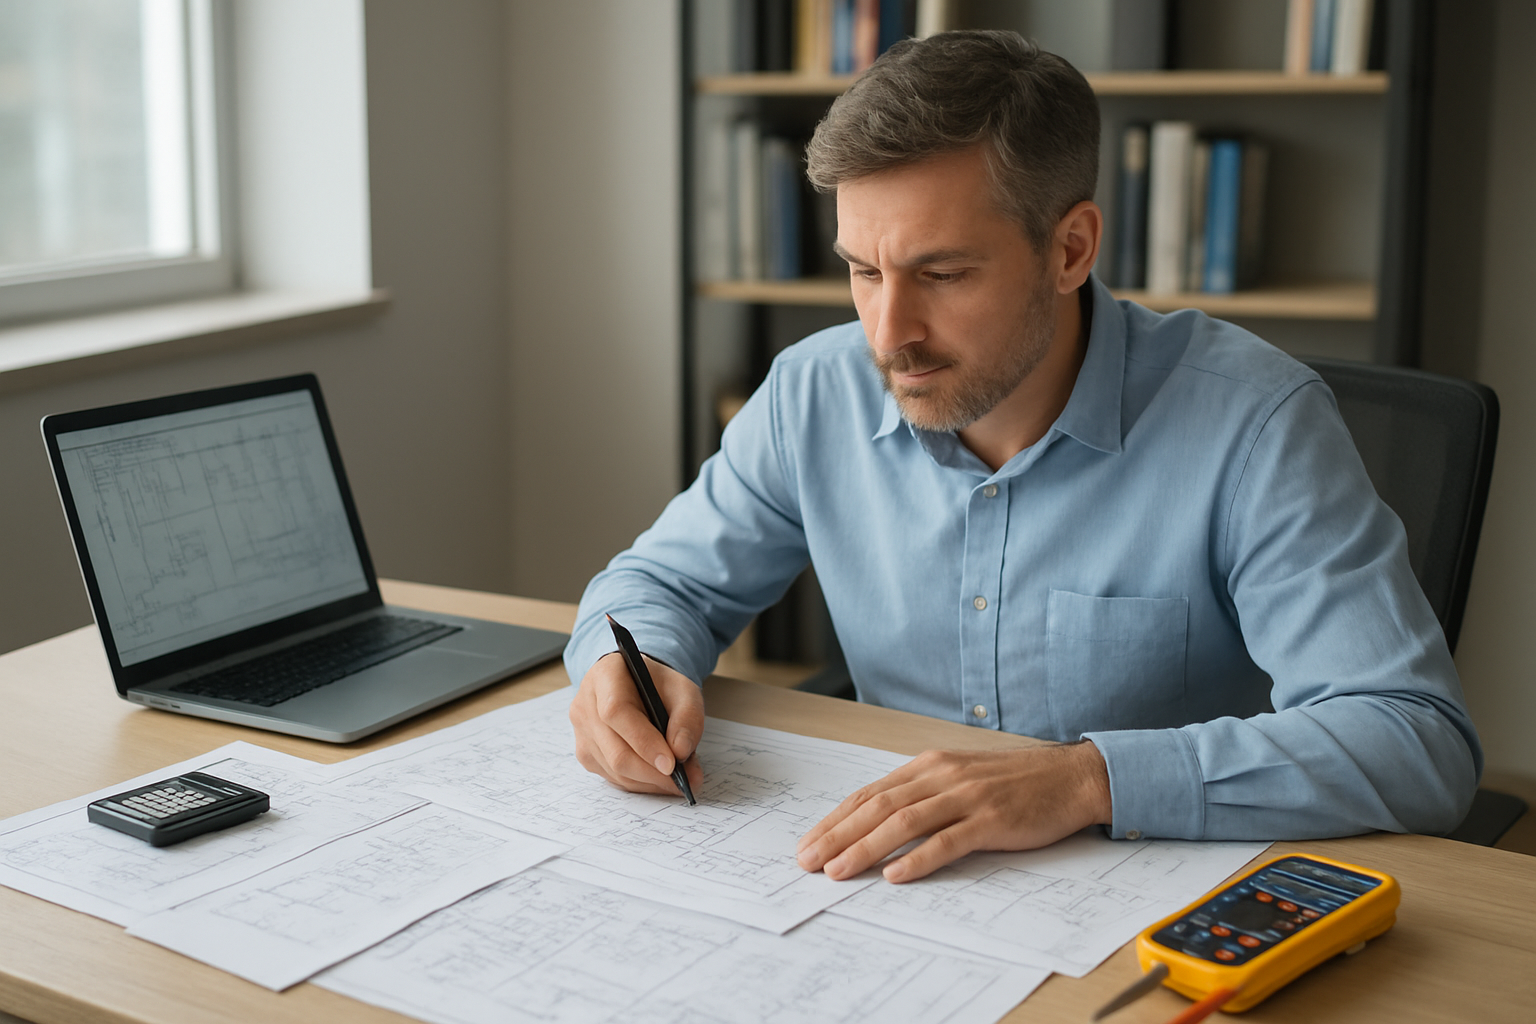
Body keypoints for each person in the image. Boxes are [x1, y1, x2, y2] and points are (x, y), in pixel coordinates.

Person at [563, 30, 1481, 885]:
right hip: (894, 888)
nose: (888, 335)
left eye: (943, 273)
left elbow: (1414, 739)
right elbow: (658, 587)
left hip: (1153, 900)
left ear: (1070, 248)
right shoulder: (814, 393)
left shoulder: (1256, 424)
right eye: (864, 271)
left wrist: (1086, 781)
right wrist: (622, 668)